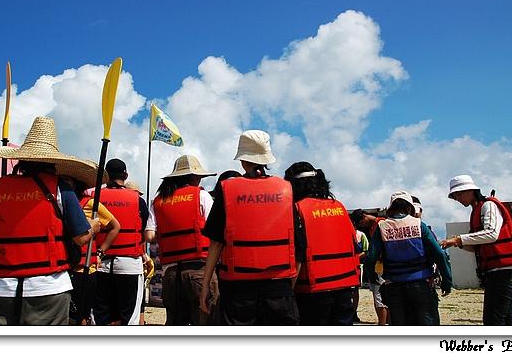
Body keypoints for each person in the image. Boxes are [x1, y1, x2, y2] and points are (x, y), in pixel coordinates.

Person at [0, 116, 101, 326]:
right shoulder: (60, 188)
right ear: (53, 162)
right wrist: (94, 226)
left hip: (2, 287)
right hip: (48, 286)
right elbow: (81, 237)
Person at [199, 130, 304, 325]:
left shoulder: (227, 189)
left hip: (238, 289)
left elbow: (216, 244)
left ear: (243, 160)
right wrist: (288, 288)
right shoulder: (286, 190)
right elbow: (298, 248)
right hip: (279, 287)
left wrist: (205, 285)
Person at [145, 154, 219, 325]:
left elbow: (149, 236)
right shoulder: (202, 196)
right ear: (193, 177)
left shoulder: (159, 200)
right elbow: (216, 232)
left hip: (171, 275)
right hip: (199, 271)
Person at [441, 175, 512, 325]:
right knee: (506, 319)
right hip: (496, 269)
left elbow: (491, 233)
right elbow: (479, 247)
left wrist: (459, 239)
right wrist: (458, 243)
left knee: (493, 320)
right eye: (454, 197)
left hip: (506, 269)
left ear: (471, 191)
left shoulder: (488, 206)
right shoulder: (476, 211)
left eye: (458, 194)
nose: (457, 199)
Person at [284, 162, 360, 325]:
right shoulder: (339, 207)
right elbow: (354, 244)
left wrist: (287, 292)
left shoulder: (297, 210)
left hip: (312, 290)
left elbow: (297, 255)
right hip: (345, 286)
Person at [365, 191, 452, 326]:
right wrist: (447, 280)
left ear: (391, 208)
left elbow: (371, 257)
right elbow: (440, 254)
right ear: (409, 207)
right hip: (421, 284)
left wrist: (373, 277)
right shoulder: (419, 225)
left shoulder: (382, 227)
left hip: (394, 287)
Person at [92, 158, 150, 326]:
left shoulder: (95, 197)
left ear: (106, 176)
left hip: (100, 262)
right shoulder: (138, 200)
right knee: (129, 318)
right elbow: (142, 230)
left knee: (100, 316)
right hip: (129, 263)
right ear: (125, 175)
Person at [61, 169, 120, 326]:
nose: (63, 184)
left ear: (76, 183)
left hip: (85, 270)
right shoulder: (57, 202)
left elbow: (115, 226)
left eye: (67, 180)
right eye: (62, 180)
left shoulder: (91, 204)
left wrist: (100, 252)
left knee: (81, 316)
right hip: (63, 270)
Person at [353, 210, 390, 325]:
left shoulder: (380, 224)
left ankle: (382, 323)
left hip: (381, 264)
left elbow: (372, 251)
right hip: (380, 264)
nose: (361, 226)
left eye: (361, 223)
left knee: (379, 295)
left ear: (364, 217)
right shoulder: (372, 227)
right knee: (380, 295)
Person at [350, 209, 369, 323]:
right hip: (349, 265)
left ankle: (354, 312)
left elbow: (366, 250)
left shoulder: (361, 235)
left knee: (355, 290)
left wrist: (356, 257)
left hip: (358, 266)